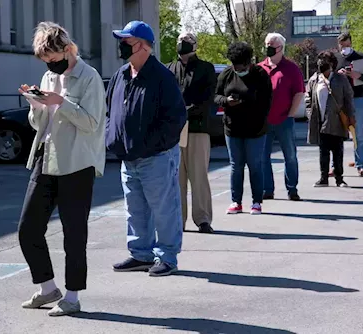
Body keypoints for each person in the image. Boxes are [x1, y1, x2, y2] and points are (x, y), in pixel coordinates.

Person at [17, 21, 106, 316]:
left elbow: (92, 123)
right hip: (47, 158)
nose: (51, 66)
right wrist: (36, 104)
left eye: (54, 60)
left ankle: (72, 297)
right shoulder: (47, 76)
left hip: (77, 164)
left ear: (68, 50)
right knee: (28, 228)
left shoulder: (89, 76)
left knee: (74, 234)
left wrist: (60, 102)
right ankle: (47, 288)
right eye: (46, 62)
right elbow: (38, 124)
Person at [106, 21, 187, 277]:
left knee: (164, 209)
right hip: (128, 158)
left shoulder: (162, 76)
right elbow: (110, 111)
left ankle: (167, 257)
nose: (121, 46)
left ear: (142, 45)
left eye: (126, 41)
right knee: (135, 209)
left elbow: (175, 119)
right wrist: (112, 137)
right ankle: (140, 254)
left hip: (156, 157)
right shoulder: (120, 75)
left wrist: (152, 144)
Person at [166, 32, 216, 234]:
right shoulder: (168, 69)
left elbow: (207, 99)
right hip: (174, 131)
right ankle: (178, 220)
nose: (181, 45)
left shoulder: (206, 69)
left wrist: (184, 111)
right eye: (179, 42)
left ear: (194, 45)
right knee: (176, 179)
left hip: (197, 128)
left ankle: (203, 219)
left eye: (185, 42)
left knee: (199, 176)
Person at [215, 42, 272, 215]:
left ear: (248, 63)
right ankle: (236, 202)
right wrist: (226, 101)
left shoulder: (260, 75)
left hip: (255, 129)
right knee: (236, 166)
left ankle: (256, 202)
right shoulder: (226, 74)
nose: (236, 69)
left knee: (255, 165)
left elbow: (266, 102)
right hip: (232, 128)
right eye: (234, 65)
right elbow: (216, 95)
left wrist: (246, 103)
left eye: (240, 66)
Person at [259, 33, 305, 201]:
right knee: (263, 157)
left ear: (280, 48)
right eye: (266, 44)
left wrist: (291, 114)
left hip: (284, 120)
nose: (268, 47)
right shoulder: (259, 68)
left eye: (271, 45)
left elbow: (299, 93)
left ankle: (292, 189)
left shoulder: (291, 69)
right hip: (263, 121)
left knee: (290, 156)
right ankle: (267, 189)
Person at [307, 51, 355, 187]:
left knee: (338, 150)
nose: (321, 64)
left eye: (325, 62)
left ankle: (339, 178)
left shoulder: (340, 79)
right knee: (323, 151)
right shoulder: (314, 79)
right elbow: (308, 96)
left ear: (332, 64)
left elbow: (348, 99)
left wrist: (351, 116)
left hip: (337, 120)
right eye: (320, 61)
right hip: (320, 121)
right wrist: (310, 112)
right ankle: (323, 178)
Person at [337, 32, 363, 177]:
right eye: (342, 45)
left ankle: (361, 165)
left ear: (351, 43)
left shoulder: (360, 57)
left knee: (358, 134)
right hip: (340, 100)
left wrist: (359, 76)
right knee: (338, 134)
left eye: (347, 45)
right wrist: (338, 73)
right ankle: (336, 167)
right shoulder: (336, 58)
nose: (345, 48)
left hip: (357, 98)